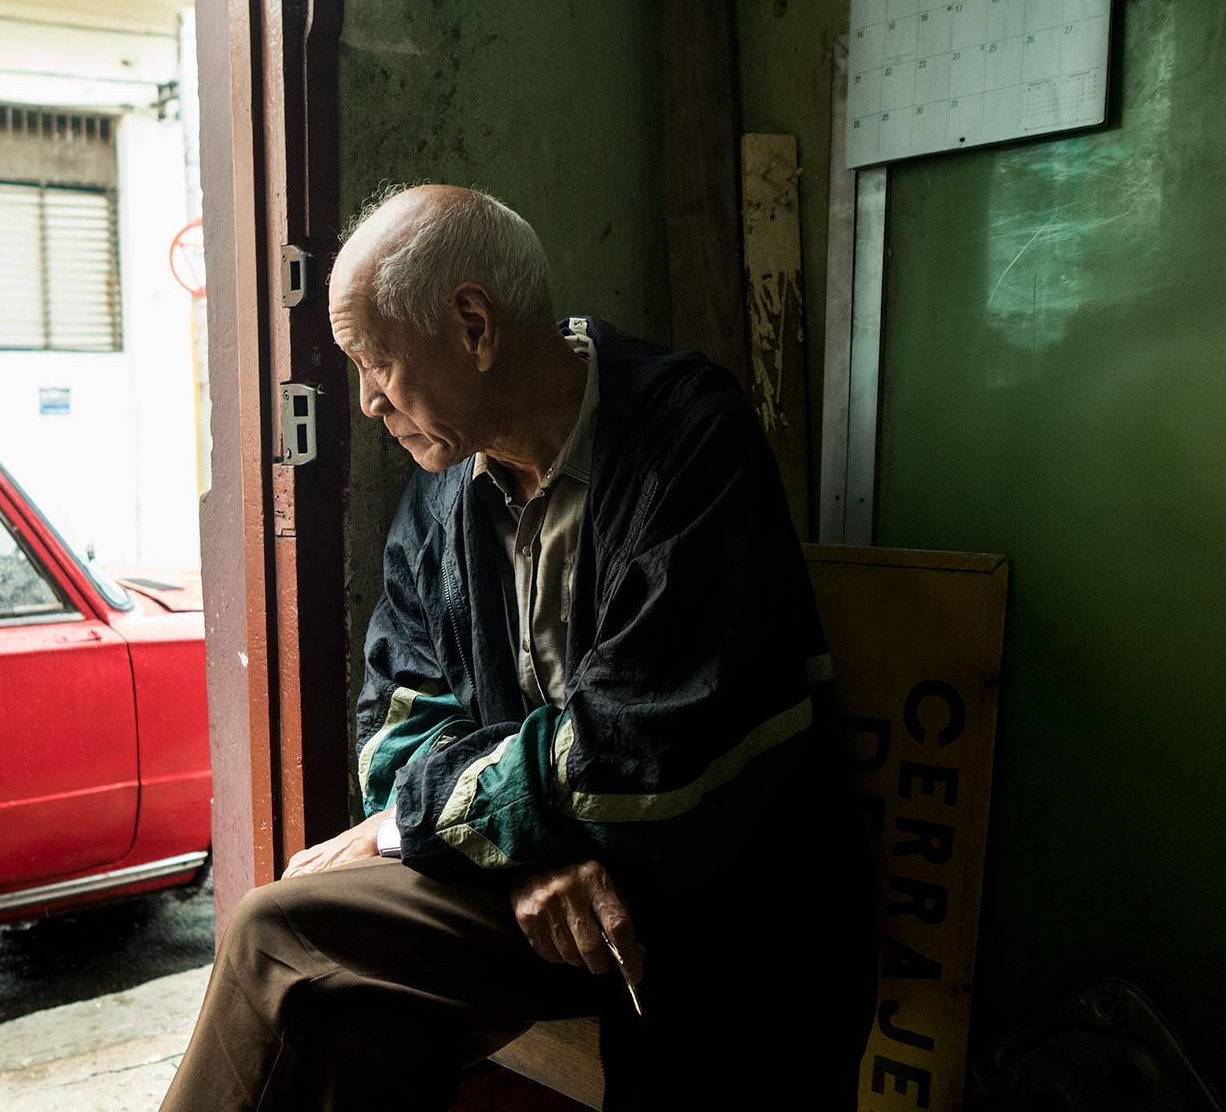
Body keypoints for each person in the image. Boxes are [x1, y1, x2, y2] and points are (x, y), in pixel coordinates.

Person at [160, 185, 875, 1112]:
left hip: (723, 900)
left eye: (377, 360)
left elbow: (640, 759)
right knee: (336, 1004)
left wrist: (420, 824)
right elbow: (395, 741)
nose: (369, 400)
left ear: (472, 326)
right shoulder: (443, 491)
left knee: (272, 928)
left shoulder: (690, 438)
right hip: (550, 890)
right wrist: (525, 852)